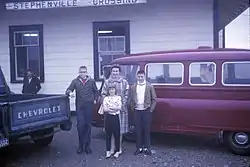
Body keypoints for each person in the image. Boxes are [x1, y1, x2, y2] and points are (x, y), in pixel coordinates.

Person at [65, 66, 99, 155]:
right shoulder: (75, 81)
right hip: (80, 107)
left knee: (88, 125)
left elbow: (96, 91)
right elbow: (68, 90)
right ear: (79, 73)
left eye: (84, 72)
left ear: (87, 72)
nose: (83, 74)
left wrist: (95, 99)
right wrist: (70, 92)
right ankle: (81, 146)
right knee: (80, 126)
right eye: (81, 72)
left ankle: (87, 146)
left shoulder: (91, 81)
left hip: (89, 106)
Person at [101, 65, 129, 155]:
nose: (115, 73)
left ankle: (119, 148)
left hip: (121, 110)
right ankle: (111, 148)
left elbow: (127, 94)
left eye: (117, 71)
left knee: (119, 130)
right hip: (110, 111)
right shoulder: (107, 82)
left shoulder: (124, 82)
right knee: (110, 130)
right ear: (111, 72)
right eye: (113, 71)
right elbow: (103, 94)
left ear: (119, 72)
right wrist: (108, 106)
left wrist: (121, 105)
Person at [130, 70, 157, 156]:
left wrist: (151, 110)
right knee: (138, 130)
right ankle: (139, 148)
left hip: (146, 110)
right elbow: (131, 100)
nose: (140, 78)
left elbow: (154, 99)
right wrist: (133, 108)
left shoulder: (149, 86)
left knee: (146, 129)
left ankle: (147, 148)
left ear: (144, 77)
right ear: (136, 77)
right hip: (137, 110)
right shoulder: (133, 87)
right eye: (139, 76)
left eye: (142, 76)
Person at [103, 84, 122, 158]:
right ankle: (108, 151)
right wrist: (114, 107)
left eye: (113, 89)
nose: (111, 91)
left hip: (116, 117)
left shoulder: (118, 98)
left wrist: (110, 107)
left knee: (117, 134)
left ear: (115, 90)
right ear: (108, 91)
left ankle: (117, 151)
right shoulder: (106, 99)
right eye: (110, 89)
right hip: (108, 117)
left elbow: (119, 107)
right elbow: (105, 109)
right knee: (108, 135)